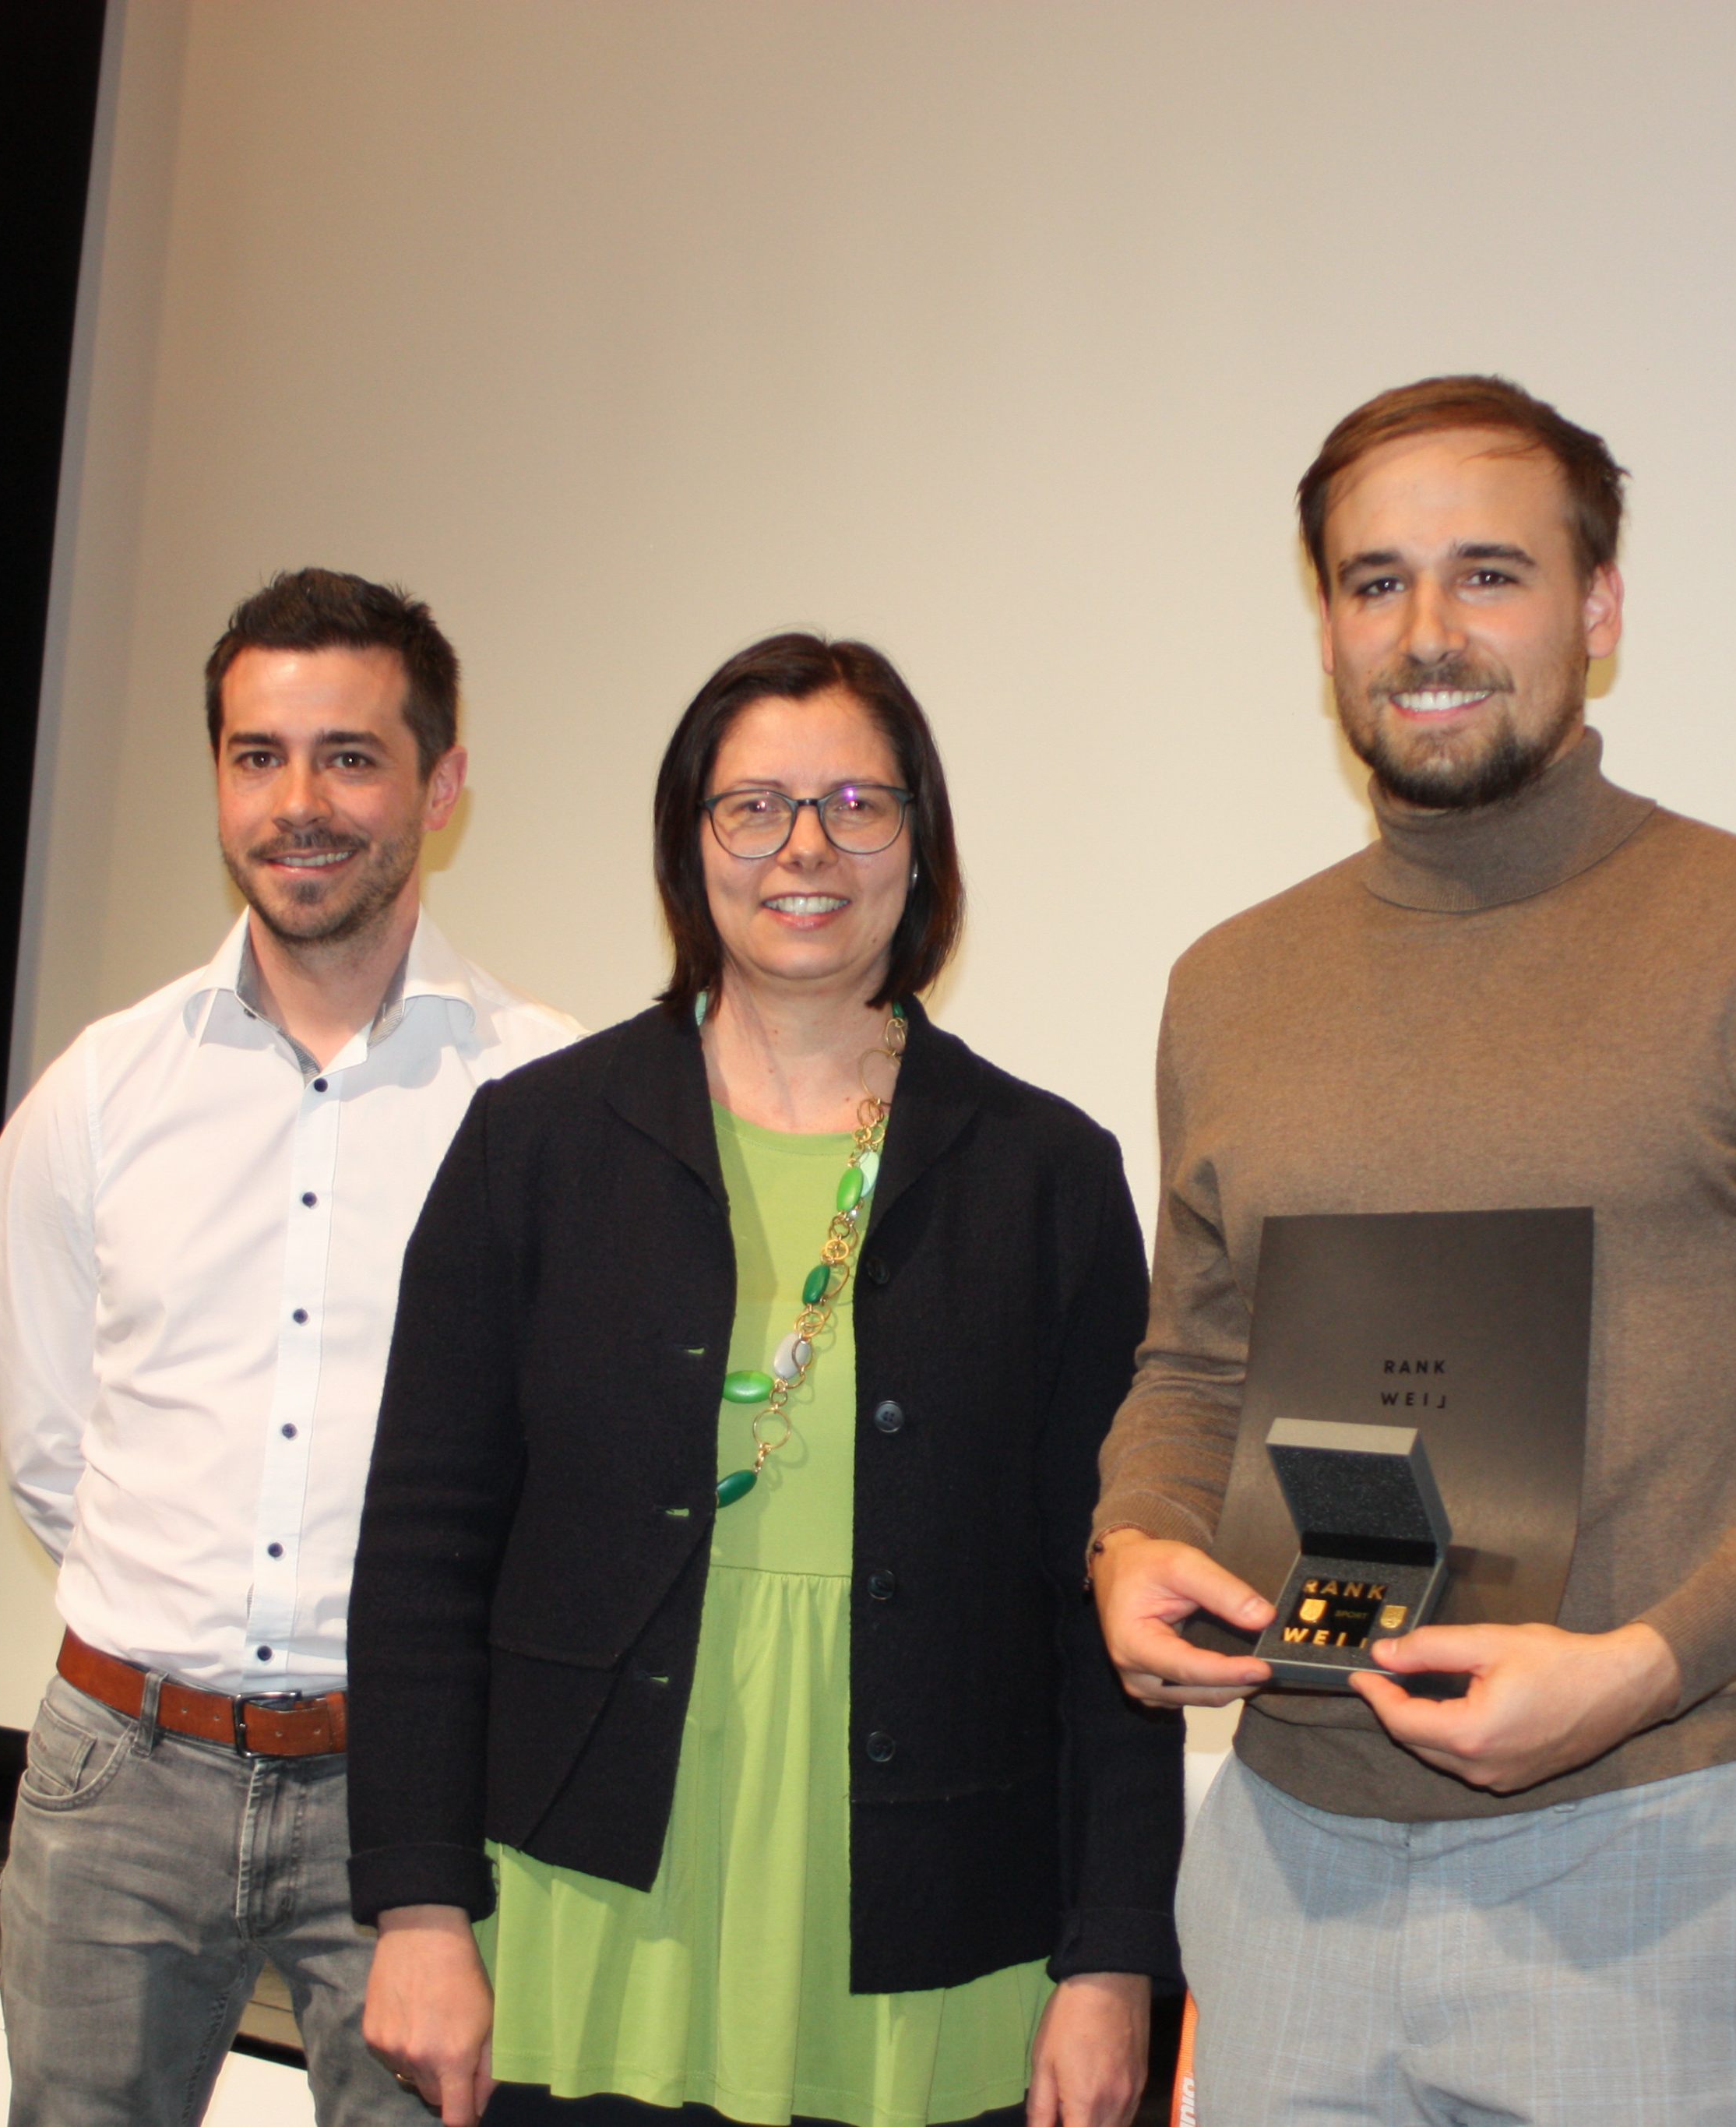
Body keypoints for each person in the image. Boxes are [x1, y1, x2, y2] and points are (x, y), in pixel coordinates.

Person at [1087, 375, 1736, 2125]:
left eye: (1489, 574)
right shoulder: (1230, 984)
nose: (1426, 633)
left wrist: (1649, 1662)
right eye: (1372, 580)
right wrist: (1133, 1537)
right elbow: (1193, 1361)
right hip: (1286, 1863)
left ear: (1599, 609)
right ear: (1324, 625)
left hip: (1662, 1854)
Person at [345, 633, 1180, 2127]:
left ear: (920, 849)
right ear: (690, 844)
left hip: (933, 1929)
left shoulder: (1049, 1177)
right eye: (754, 807)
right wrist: (417, 1908)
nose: (806, 847)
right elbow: (421, 1557)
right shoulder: (532, 1147)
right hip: (586, 1910)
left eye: (859, 804)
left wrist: (1115, 1959)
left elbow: (1102, 1598)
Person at [0, 569, 585, 2126]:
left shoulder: (550, 1105)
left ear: (441, 786)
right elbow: (53, 1443)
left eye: (350, 757)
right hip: (118, 1777)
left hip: (418, 1799)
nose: (299, 803)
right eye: (257, 756)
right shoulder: (103, 1093)